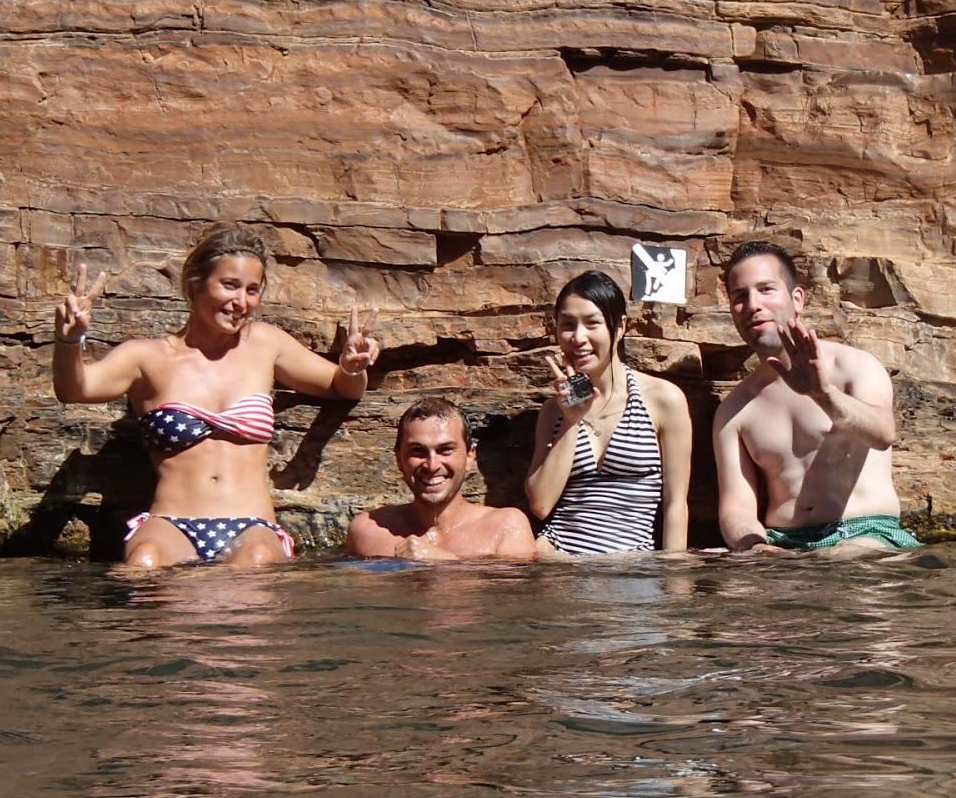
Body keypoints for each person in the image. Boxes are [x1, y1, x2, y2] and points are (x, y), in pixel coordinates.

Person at [53, 222, 380, 567]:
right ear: (196, 284)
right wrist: (69, 341)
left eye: (252, 290)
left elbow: (341, 387)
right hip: (172, 523)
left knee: (255, 559)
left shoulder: (265, 343)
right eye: (230, 285)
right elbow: (75, 389)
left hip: (251, 524)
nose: (241, 302)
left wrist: (352, 367)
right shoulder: (146, 357)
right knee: (145, 560)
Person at [712, 240, 922, 559]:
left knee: (841, 557)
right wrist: (754, 547)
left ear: (796, 299)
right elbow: (736, 507)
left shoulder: (854, 367)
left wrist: (824, 395)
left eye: (766, 289)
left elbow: (883, 434)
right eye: (740, 296)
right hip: (782, 544)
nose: (753, 304)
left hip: (862, 534)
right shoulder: (734, 408)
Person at [525, 270, 692, 556]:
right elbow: (540, 505)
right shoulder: (553, 410)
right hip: (559, 561)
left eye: (592, 323)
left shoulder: (664, 399)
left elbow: (675, 503)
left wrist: (675, 575)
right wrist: (571, 420)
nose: (578, 337)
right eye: (568, 325)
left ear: (620, 326)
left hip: (630, 564)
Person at [346, 398, 538, 561]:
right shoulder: (367, 531)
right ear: (399, 459)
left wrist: (446, 563)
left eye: (445, 450)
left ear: (470, 456)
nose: (432, 465)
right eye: (418, 451)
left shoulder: (506, 527)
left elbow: (516, 592)